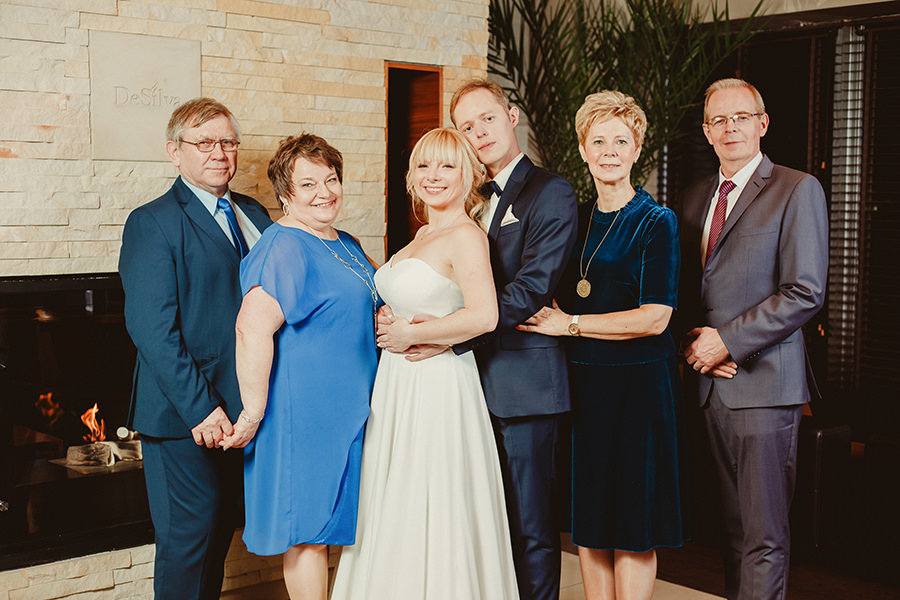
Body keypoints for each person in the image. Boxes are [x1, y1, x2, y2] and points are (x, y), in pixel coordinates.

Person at [330, 127, 519, 599]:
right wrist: (386, 315)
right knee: (397, 494)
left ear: (469, 175)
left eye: (447, 165)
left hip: (437, 384)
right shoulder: (421, 235)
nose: (433, 175)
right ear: (412, 176)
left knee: (432, 491)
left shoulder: (467, 236)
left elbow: (485, 315)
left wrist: (412, 333)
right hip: (397, 382)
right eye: (423, 165)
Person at [519, 90, 685, 600]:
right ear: (583, 149)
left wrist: (570, 324)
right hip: (582, 388)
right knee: (589, 521)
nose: (609, 151)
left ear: (637, 149)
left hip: (638, 390)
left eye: (621, 141)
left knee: (633, 525)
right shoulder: (574, 218)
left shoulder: (657, 222)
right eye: (598, 141)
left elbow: (655, 317)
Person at [679, 78, 828, 600]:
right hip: (708, 386)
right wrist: (692, 345)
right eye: (719, 120)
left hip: (764, 386)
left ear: (762, 124)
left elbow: (804, 292)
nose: (730, 127)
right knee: (732, 533)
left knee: (764, 538)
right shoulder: (694, 197)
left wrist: (728, 341)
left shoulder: (797, 189)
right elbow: (687, 291)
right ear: (706, 132)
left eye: (741, 117)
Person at [118, 97, 272, 600]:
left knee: (218, 532)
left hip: (242, 408)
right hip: (183, 413)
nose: (219, 153)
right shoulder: (152, 221)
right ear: (175, 151)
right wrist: (202, 408)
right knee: (188, 542)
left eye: (227, 141)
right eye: (204, 142)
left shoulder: (253, 212)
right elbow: (152, 329)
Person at [219, 134, 379, 600]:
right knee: (309, 534)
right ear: (285, 194)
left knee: (342, 527)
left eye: (330, 179)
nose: (324, 192)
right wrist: (252, 413)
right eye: (308, 184)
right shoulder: (283, 246)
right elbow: (250, 329)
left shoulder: (345, 242)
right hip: (305, 417)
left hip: (352, 409)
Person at [447, 78, 578, 600]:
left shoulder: (551, 191)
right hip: (469, 382)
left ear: (512, 115)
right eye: (467, 127)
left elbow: (532, 288)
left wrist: (447, 334)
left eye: (487, 118)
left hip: (526, 386)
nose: (480, 132)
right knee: (486, 520)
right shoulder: (466, 198)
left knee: (531, 524)